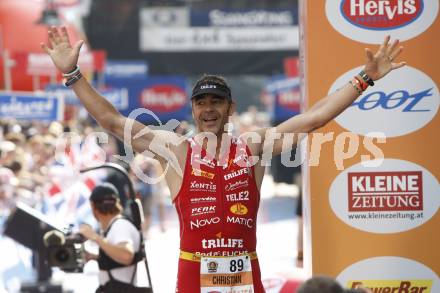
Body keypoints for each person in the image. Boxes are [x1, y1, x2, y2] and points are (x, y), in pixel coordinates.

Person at [42, 26, 405, 293]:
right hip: (193, 277)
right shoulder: (177, 149)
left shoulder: (253, 146)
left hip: (247, 276)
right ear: (193, 110)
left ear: (230, 108)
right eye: (202, 103)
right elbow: (112, 121)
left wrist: (365, 78)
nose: (209, 109)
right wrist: (72, 75)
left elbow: (314, 118)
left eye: (217, 102)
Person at [78, 183, 149, 292]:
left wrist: (95, 237)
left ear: (93, 207)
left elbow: (126, 255)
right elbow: (117, 258)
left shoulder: (120, 226)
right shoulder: (116, 226)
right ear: (117, 202)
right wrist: (95, 257)